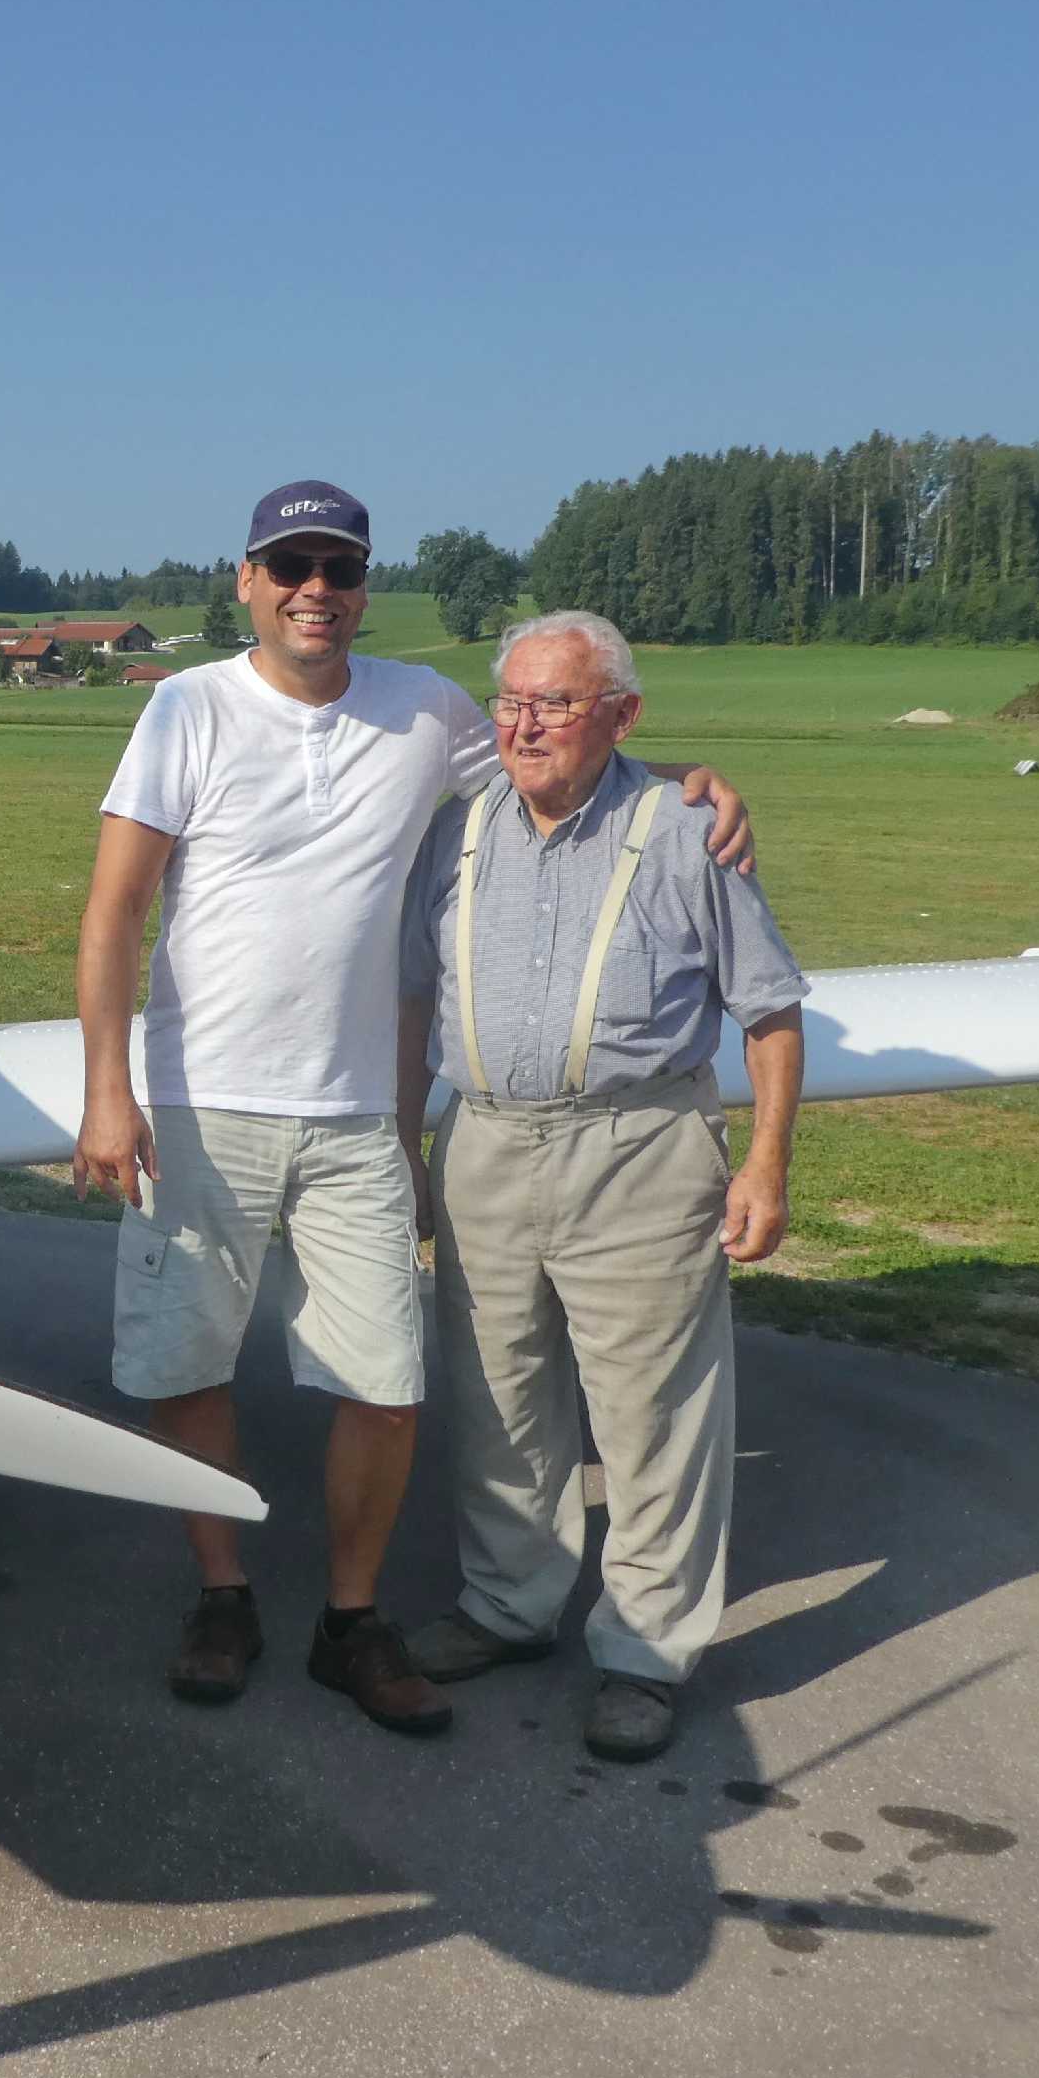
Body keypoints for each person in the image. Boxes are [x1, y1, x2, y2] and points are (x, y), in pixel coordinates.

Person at [74, 484, 754, 1735]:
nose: (314, 589)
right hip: (199, 1100)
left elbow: (560, 751)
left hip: (351, 1118)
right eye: (290, 565)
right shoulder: (185, 708)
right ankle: (222, 1593)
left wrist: (683, 786)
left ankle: (350, 1618)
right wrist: (107, 1092)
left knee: (385, 1381)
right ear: (246, 581)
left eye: (337, 568)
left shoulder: (424, 707)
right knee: (184, 1362)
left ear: (361, 587)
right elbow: (114, 909)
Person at [395, 609, 806, 1764]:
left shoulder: (684, 832)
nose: (524, 726)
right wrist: (405, 1146)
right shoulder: (455, 831)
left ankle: (642, 1654)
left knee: (651, 1414)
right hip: (483, 1140)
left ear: (619, 716)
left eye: (555, 704)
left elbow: (769, 1013)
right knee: (496, 1395)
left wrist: (765, 1164)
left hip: (638, 1148)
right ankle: (506, 1606)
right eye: (510, 701)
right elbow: (415, 997)